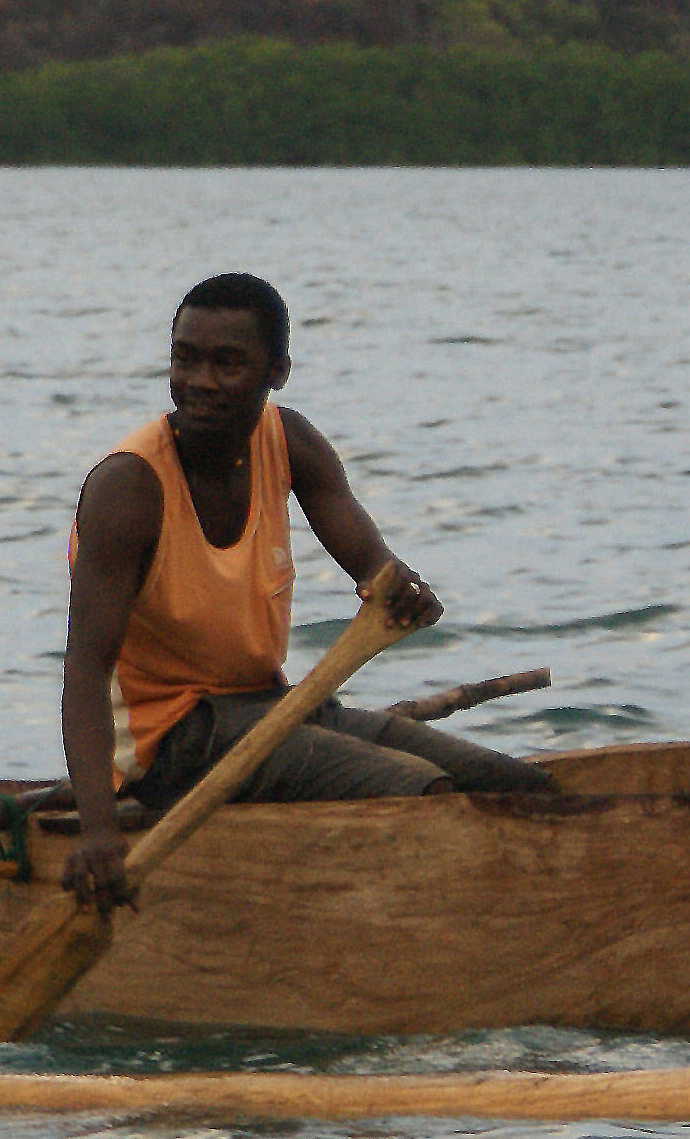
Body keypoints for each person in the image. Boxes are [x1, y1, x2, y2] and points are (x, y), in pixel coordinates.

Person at [60, 273, 551, 906]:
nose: (200, 382)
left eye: (227, 364)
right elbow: (85, 669)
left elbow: (377, 570)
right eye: (185, 360)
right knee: (426, 794)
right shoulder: (127, 488)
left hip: (274, 708)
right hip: (172, 744)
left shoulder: (290, 442)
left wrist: (403, 593)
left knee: (513, 786)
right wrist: (99, 830)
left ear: (278, 372)